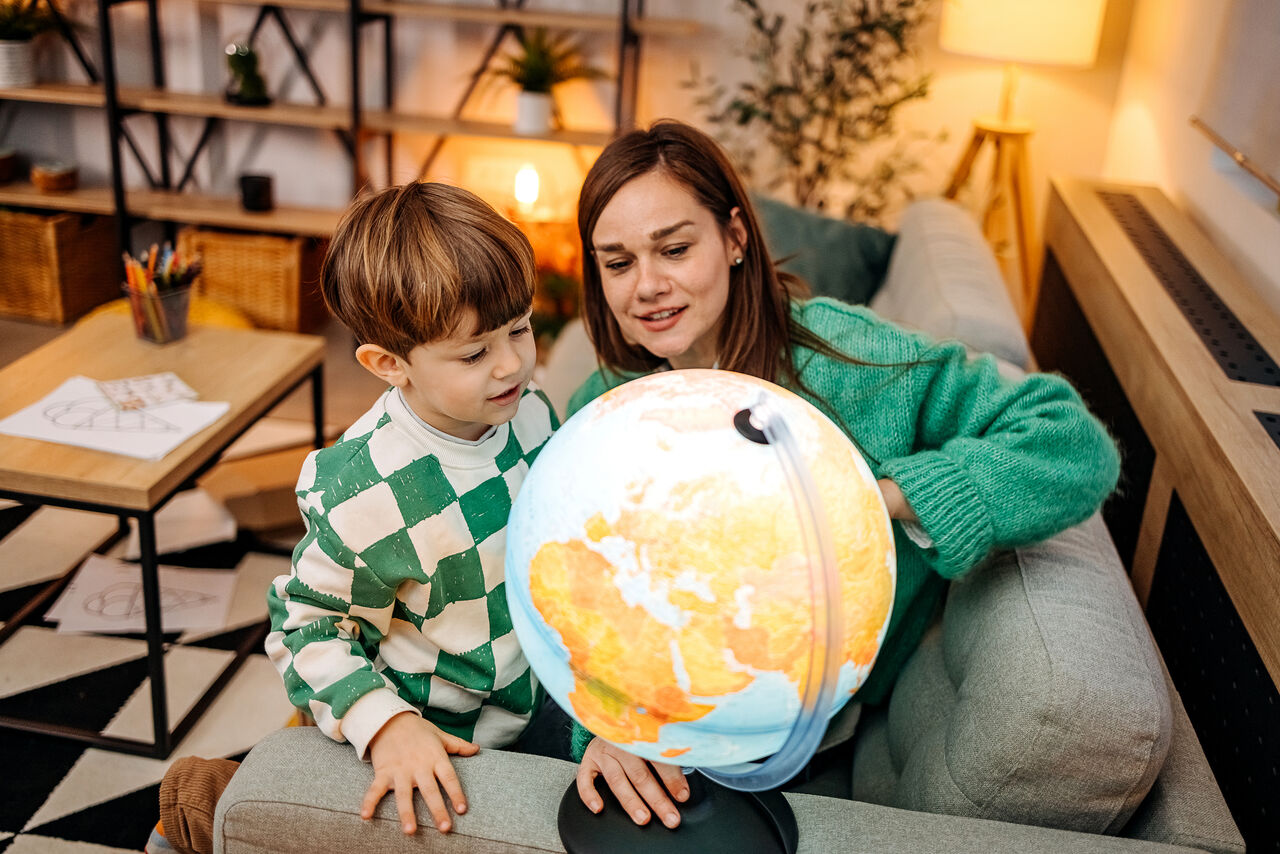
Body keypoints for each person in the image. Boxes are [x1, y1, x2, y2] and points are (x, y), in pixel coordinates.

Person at [563, 120, 1121, 830]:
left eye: (675, 248)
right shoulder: (604, 402)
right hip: (653, 712)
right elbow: (583, 595)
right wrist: (607, 729)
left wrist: (871, 497)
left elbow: (1070, 442)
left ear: (735, 237)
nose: (648, 286)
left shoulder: (853, 362)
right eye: (617, 263)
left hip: (784, 730)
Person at [145, 181, 566, 854]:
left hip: (524, 702)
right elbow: (304, 626)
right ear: (388, 364)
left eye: (519, 328)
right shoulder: (363, 489)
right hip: (420, 731)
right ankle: (195, 814)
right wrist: (386, 724)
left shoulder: (533, 410)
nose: (512, 362)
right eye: (474, 352)